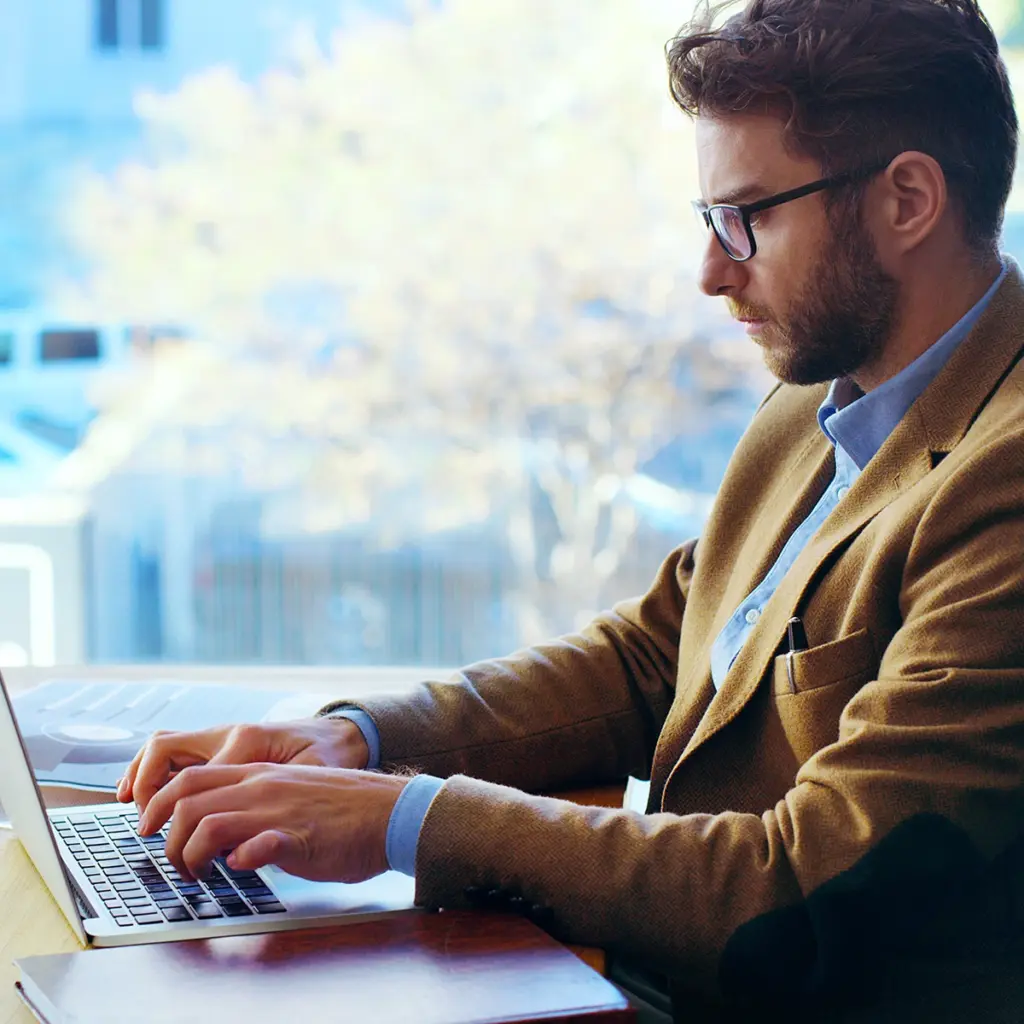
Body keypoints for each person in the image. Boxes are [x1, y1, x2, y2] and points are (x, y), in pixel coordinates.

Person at [118, 0, 1024, 1020]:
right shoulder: (819, 400)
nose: (710, 272)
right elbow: (656, 657)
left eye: (747, 217)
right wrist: (359, 740)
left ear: (906, 199)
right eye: (706, 220)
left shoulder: (1005, 481)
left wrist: (406, 820)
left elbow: (802, 879)